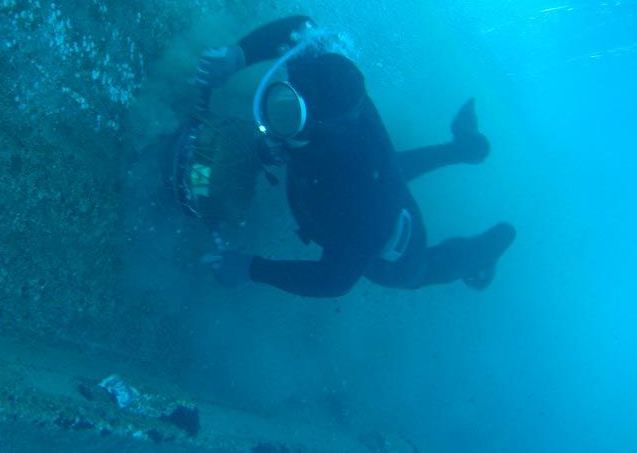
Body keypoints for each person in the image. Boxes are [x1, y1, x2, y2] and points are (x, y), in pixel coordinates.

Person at [196, 15, 516, 297]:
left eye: (288, 114)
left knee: (417, 271)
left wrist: (252, 269)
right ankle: (465, 149)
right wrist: (238, 55)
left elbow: (333, 282)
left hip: (393, 245)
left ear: (320, 128)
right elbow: (300, 29)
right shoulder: (323, 80)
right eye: (288, 94)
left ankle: (486, 251)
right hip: (373, 169)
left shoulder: (360, 208)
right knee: (393, 168)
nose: (279, 108)